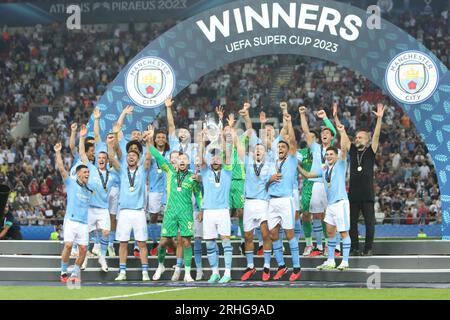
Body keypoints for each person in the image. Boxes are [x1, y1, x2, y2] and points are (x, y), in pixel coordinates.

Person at [150, 125, 202, 283]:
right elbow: (158, 158)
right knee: (163, 241)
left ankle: (187, 273)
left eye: (185, 160)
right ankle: (160, 265)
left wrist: (201, 208)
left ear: (188, 163)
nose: (182, 161)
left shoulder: (192, 177)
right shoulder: (170, 171)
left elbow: (198, 194)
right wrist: (149, 142)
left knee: (186, 241)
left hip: (186, 211)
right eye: (180, 159)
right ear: (176, 162)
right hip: (171, 211)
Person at [334, 102, 385, 256]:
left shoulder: (371, 151)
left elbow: (376, 135)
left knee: (370, 224)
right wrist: (335, 117)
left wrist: (379, 119)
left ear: (367, 140)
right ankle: (354, 248)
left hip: (368, 194)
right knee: (352, 224)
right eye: (356, 137)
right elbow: (341, 131)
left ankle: (368, 248)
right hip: (354, 194)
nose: (357, 139)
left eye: (360, 137)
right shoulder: (353, 150)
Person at [298, 124, 351, 271]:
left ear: (336, 156)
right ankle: (331, 260)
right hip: (331, 206)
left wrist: (342, 131)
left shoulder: (341, 164)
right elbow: (308, 175)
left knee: (343, 232)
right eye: (327, 155)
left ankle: (345, 261)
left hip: (341, 203)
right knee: (330, 232)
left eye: (331, 154)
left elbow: (345, 148)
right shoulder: (325, 170)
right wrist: (297, 167)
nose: (328, 156)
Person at [197, 116, 239, 284]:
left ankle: (227, 272)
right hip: (208, 211)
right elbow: (200, 158)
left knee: (226, 241)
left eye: (218, 156)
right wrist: (201, 141)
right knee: (209, 243)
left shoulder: (228, 171)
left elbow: (228, 152)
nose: (215, 158)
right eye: (212, 157)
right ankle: (214, 272)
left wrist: (223, 136)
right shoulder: (205, 172)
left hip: (222, 210)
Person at [107, 128, 152, 282]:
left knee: (142, 243)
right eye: (129, 155)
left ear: (138, 158)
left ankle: (145, 272)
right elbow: (112, 159)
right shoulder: (121, 171)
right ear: (126, 158)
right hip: (124, 212)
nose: (131, 157)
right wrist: (109, 144)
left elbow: (148, 157)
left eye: (134, 155)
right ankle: (122, 272)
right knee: (123, 243)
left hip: (139, 212)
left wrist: (149, 141)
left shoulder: (143, 171)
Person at [266, 112, 301, 281]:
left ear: (288, 150)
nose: (280, 149)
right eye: (278, 147)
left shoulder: (292, 159)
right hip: (272, 201)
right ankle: (281, 265)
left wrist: (289, 122)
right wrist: (270, 179)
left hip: (286, 200)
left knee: (289, 234)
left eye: (283, 147)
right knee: (273, 234)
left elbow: (292, 141)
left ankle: (297, 267)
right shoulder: (272, 161)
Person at [79, 124, 119, 272]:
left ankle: (102, 257)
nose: (101, 159)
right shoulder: (91, 169)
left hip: (103, 209)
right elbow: (82, 154)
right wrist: (82, 137)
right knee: (86, 235)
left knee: (106, 232)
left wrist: (109, 145)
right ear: (96, 159)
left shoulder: (113, 175)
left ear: (107, 161)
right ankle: (84, 259)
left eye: (104, 158)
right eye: (99, 157)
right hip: (90, 208)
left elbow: (116, 161)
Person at [299, 106, 338, 257]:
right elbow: (306, 131)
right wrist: (302, 114)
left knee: (328, 215)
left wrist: (325, 118)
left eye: (327, 133)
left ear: (331, 136)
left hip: (328, 184)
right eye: (322, 133)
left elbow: (334, 131)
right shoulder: (315, 148)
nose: (324, 135)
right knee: (316, 215)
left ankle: (329, 245)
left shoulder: (332, 150)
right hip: (316, 183)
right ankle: (319, 246)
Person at [54, 142, 92, 283]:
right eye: (84, 172)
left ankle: (75, 273)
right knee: (69, 245)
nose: (87, 174)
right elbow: (62, 169)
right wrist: (58, 152)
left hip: (83, 223)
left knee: (83, 249)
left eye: (88, 172)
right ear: (78, 174)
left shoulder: (90, 189)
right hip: (71, 220)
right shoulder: (71, 183)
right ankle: (64, 271)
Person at [240, 142, 273, 281]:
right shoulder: (248, 162)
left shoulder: (270, 165)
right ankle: (250, 266)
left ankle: (266, 266)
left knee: (265, 234)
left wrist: (271, 180)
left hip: (263, 202)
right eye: (256, 149)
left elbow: (272, 181)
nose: (258, 151)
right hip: (249, 202)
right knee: (248, 236)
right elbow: (238, 145)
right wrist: (232, 131)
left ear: (265, 153)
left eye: (261, 149)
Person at [147, 129, 170, 256]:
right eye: (158, 137)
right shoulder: (150, 152)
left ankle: (167, 242)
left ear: (166, 140)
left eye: (163, 137)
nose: (161, 139)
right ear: (155, 140)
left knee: (167, 217)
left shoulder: (170, 153)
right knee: (153, 217)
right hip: (154, 189)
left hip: (167, 190)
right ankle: (155, 241)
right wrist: (149, 139)